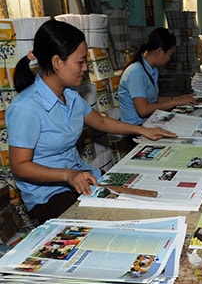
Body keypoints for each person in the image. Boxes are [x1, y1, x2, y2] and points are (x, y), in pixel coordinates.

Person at [6, 20, 177, 224]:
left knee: (142, 193)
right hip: (49, 197)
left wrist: (143, 130)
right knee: (118, 217)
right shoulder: (26, 107)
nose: (85, 68)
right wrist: (67, 175)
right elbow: (19, 166)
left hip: (81, 177)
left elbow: (101, 123)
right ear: (57, 62)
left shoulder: (69, 96)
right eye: (80, 62)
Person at [118, 28, 197, 126]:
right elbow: (143, 110)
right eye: (170, 55)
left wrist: (179, 98)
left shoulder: (152, 70)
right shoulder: (136, 72)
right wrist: (175, 101)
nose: (169, 59)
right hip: (136, 128)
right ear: (160, 51)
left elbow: (153, 99)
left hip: (148, 123)